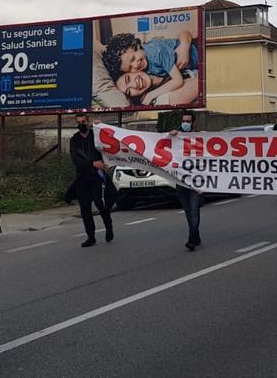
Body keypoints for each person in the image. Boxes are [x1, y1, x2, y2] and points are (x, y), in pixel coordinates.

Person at [103, 31, 198, 105]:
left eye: (128, 79)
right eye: (130, 68)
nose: (135, 66)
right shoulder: (143, 66)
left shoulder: (154, 52)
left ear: (137, 46)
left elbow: (178, 80)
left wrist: (184, 46)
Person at [69, 114, 113, 247]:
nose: (81, 124)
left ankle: (109, 227)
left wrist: (101, 127)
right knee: (85, 208)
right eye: (79, 122)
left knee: (100, 203)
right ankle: (91, 236)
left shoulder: (96, 135)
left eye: (83, 121)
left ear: (88, 122)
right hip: (82, 176)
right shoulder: (74, 139)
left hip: (97, 176)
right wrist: (92, 163)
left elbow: (110, 142)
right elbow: (75, 160)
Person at [169, 111, 203, 249]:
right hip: (181, 182)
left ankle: (192, 239)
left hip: (196, 183)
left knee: (194, 212)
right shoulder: (176, 136)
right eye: (184, 121)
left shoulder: (201, 138)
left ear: (193, 123)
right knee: (188, 212)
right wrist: (169, 134)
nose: (185, 123)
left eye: (188, 121)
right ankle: (196, 236)